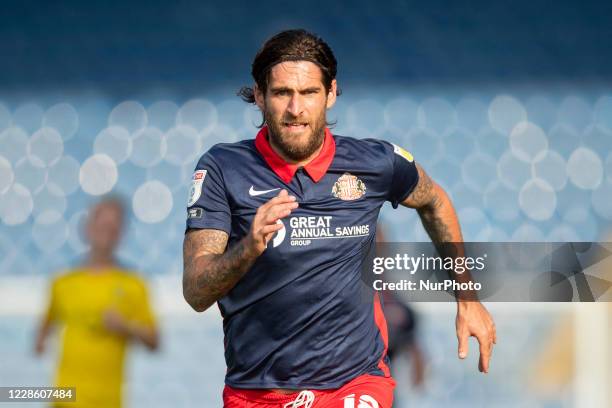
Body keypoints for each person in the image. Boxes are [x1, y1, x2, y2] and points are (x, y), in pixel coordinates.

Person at [182, 29, 496, 408]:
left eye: (309, 93)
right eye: (282, 93)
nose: (296, 109)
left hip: (353, 385)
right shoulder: (223, 169)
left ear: (330, 93)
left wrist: (467, 298)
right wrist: (248, 248)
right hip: (257, 393)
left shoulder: (375, 163)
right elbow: (196, 291)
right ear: (260, 97)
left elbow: (435, 201)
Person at [35, 196, 159, 408]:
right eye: (102, 225)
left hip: (108, 401)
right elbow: (44, 329)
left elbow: (154, 342)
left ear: (121, 233)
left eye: (112, 227)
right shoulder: (63, 282)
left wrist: (126, 327)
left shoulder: (135, 285)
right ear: (88, 228)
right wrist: (41, 343)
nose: (106, 234)